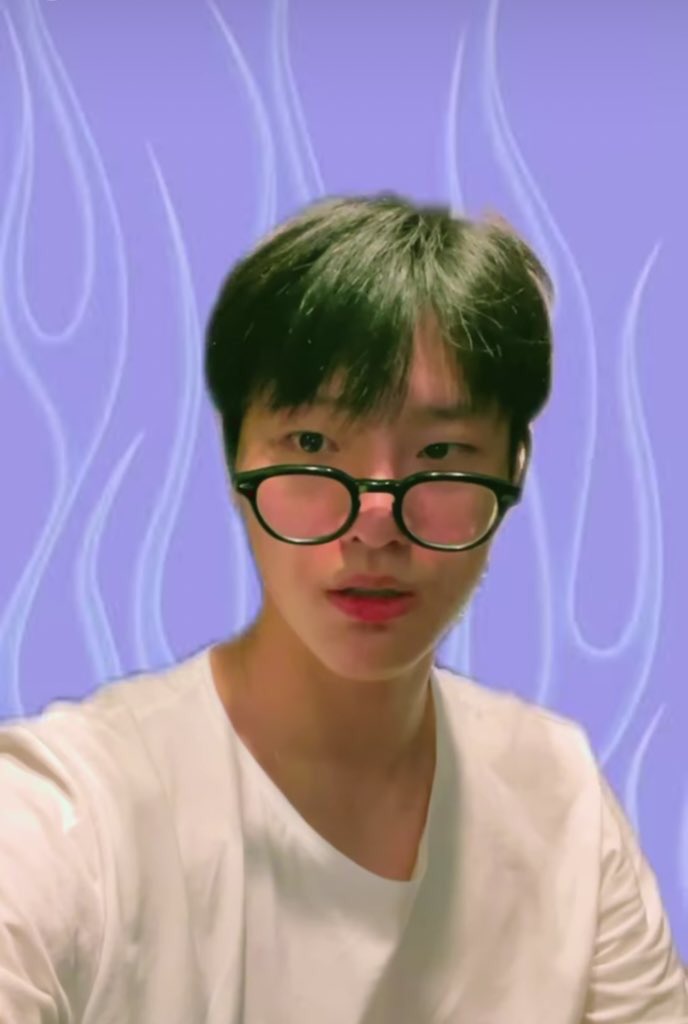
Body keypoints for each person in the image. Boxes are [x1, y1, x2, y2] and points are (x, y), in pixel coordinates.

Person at [1, 193, 686, 1022]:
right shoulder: (66, 813)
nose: (375, 524)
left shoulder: (561, 796)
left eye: (440, 453)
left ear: (514, 468)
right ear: (234, 456)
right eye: (313, 445)